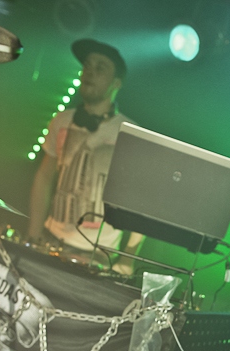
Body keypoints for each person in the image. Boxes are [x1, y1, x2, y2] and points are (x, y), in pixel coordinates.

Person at [27, 38, 143, 269]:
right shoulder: (62, 120)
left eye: (100, 68)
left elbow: (140, 201)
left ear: (116, 83)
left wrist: (128, 259)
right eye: (87, 66)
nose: (89, 72)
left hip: (98, 254)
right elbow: (44, 177)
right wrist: (33, 234)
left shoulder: (130, 133)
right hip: (50, 239)